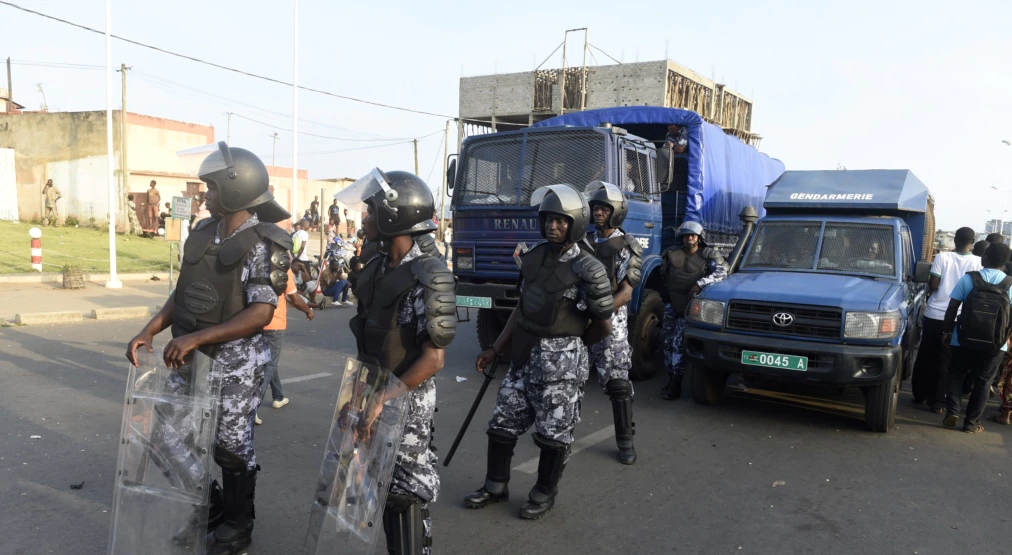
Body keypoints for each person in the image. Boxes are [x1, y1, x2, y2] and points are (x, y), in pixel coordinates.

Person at [125, 142, 293, 555]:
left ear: (237, 189)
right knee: (163, 437)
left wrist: (195, 337)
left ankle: (238, 523)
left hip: (236, 363)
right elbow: (182, 295)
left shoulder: (265, 242)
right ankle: (212, 506)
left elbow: (259, 313)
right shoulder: (202, 234)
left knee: (230, 448)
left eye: (212, 187)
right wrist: (150, 329)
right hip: (191, 357)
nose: (205, 195)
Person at [464, 184, 614, 520]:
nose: (552, 226)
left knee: (552, 434)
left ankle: (544, 492)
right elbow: (521, 310)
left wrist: (570, 347)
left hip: (561, 367)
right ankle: (495, 486)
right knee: (501, 424)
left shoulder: (589, 269)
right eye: (548, 219)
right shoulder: (533, 258)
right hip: (522, 358)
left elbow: (604, 324)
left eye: (561, 221)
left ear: (575, 223)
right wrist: (495, 349)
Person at [341, 168, 457, 554]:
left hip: (404, 397)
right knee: (380, 483)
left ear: (394, 215)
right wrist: (359, 394)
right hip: (373, 388)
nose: (365, 218)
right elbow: (369, 339)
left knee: (405, 490)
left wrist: (384, 398)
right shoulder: (377, 266)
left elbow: (434, 358)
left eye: (371, 211)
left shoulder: (429, 274)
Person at [584, 182, 643, 464]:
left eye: (604, 209)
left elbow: (626, 291)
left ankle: (625, 441)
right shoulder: (584, 242)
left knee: (618, 384)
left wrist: (600, 310)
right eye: (595, 208)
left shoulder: (627, 246)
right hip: (579, 320)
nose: (598, 213)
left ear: (616, 212)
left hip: (611, 323)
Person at [942, 242, 1012, 433]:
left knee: (956, 374)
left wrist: (946, 332)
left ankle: (952, 412)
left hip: (962, 339)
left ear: (985, 258)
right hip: (996, 344)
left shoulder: (969, 279)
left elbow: (952, 308)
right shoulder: (1010, 284)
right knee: (983, 382)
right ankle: (971, 423)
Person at [911, 227, 980, 412]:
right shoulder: (978, 262)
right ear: (972, 241)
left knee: (926, 355)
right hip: (960, 317)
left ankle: (919, 393)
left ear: (955, 239)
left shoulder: (942, 258)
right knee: (946, 360)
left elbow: (934, 284)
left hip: (935, 313)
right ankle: (938, 402)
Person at [660, 221, 729, 400]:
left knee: (677, 346)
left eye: (693, 235)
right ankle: (670, 379)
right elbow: (662, 277)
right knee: (667, 344)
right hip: (671, 305)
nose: (690, 238)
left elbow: (722, 273)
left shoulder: (708, 256)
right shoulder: (670, 254)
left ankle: (676, 384)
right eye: (687, 235)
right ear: (681, 237)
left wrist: (700, 284)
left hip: (691, 307)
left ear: (699, 238)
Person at [255, 264, 314, 425]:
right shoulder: (282, 270)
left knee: (270, 361)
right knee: (270, 363)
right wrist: (308, 311)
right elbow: (294, 298)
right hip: (275, 324)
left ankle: (278, 396)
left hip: (254, 322)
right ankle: (252, 407)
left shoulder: (256, 264)